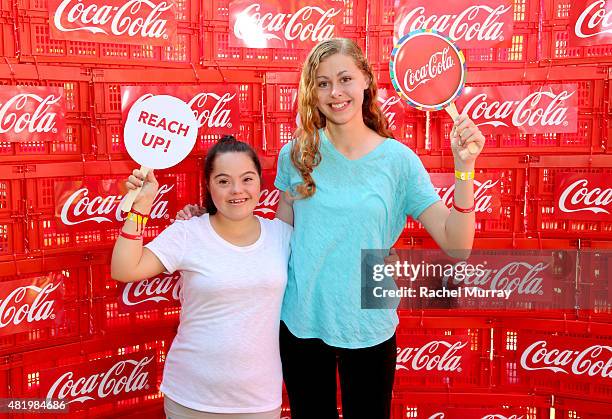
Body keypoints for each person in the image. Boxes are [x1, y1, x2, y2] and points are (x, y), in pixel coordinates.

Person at [177, 38, 485, 419]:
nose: (335, 93)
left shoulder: (399, 161)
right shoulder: (298, 153)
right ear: (313, 92)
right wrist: (209, 229)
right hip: (301, 320)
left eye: (344, 79)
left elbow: (458, 246)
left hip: (368, 322)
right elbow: (278, 237)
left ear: (366, 81)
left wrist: (464, 168)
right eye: (323, 83)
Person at [111, 136, 292, 419]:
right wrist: (141, 206)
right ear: (208, 186)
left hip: (257, 400)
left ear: (259, 183)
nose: (237, 190)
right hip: (190, 397)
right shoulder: (189, 233)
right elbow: (124, 268)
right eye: (223, 181)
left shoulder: (281, 234)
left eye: (247, 179)